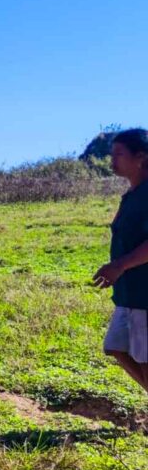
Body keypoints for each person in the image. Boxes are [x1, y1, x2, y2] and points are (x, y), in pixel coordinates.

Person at [94, 128, 148, 395]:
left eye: (119, 154)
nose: (112, 160)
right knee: (116, 346)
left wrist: (120, 265)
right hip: (129, 294)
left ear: (140, 157)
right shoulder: (132, 196)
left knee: (146, 359)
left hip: (145, 295)